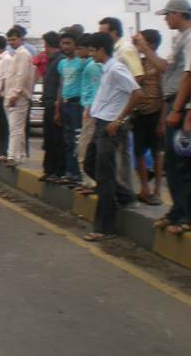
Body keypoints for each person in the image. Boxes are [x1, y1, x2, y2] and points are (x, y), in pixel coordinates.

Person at [82, 32, 141, 242]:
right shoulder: (106, 70)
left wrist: (119, 121)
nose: (90, 54)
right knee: (90, 165)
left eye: (92, 50)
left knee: (104, 175)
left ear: (101, 50)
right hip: (101, 123)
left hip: (110, 126)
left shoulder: (116, 69)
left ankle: (104, 228)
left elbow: (136, 93)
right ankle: (125, 196)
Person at [143, 0, 191, 234]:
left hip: (182, 108)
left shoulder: (190, 38)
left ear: (179, 14)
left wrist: (177, 109)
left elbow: (189, 76)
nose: (165, 19)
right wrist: (143, 48)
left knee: (183, 163)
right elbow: (166, 69)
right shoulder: (179, 39)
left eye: (168, 14)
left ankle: (186, 216)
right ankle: (177, 212)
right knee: (172, 163)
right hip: (175, 104)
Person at [99, 16, 143, 190]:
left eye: (103, 32)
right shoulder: (113, 51)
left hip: (122, 109)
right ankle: (122, 189)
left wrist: (123, 105)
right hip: (113, 108)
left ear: (114, 32)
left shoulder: (125, 49)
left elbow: (137, 76)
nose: (100, 36)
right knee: (119, 151)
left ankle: (125, 191)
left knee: (122, 151)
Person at [130, 29, 165, 205]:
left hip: (155, 112)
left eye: (141, 40)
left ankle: (157, 190)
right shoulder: (137, 63)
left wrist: (162, 121)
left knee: (156, 153)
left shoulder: (159, 65)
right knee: (139, 153)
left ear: (150, 45)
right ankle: (145, 188)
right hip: (139, 113)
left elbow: (164, 94)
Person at [55, 32, 85, 185]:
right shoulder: (62, 63)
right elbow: (61, 85)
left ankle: (78, 174)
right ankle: (70, 172)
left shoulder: (82, 62)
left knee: (77, 140)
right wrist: (58, 108)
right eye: (63, 43)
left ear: (75, 45)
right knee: (67, 140)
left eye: (68, 43)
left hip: (77, 105)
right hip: (65, 105)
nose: (65, 47)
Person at [4, 28, 35, 166]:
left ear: (22, 39)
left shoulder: (23, 54)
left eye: (14, 39)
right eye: (9, 40)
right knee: (17, 127)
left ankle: (13, 156)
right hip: (11, 95)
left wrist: (15, 94)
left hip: (18, 96)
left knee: (15, 128)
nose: (11, 42)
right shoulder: (16, 54)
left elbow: (21, 76)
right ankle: (20, 154)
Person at [77, 34, 102, 193]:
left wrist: (89, 107)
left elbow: (95, 90)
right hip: (91, 109)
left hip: (91, 111)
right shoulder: (89, 64)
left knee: (86, 147)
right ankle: (88, 181)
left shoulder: (94, 66)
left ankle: (90, 182)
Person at [40, 31, 64, 182]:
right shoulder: (51, 60)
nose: (44, 48)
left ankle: (57, 171)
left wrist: (57, 107)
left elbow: (61, 86)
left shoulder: (59, 61)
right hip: (48, 104)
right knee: (49, 139)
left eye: (45, 45)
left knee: (57, 140)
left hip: (56, 106)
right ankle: (49, 170)